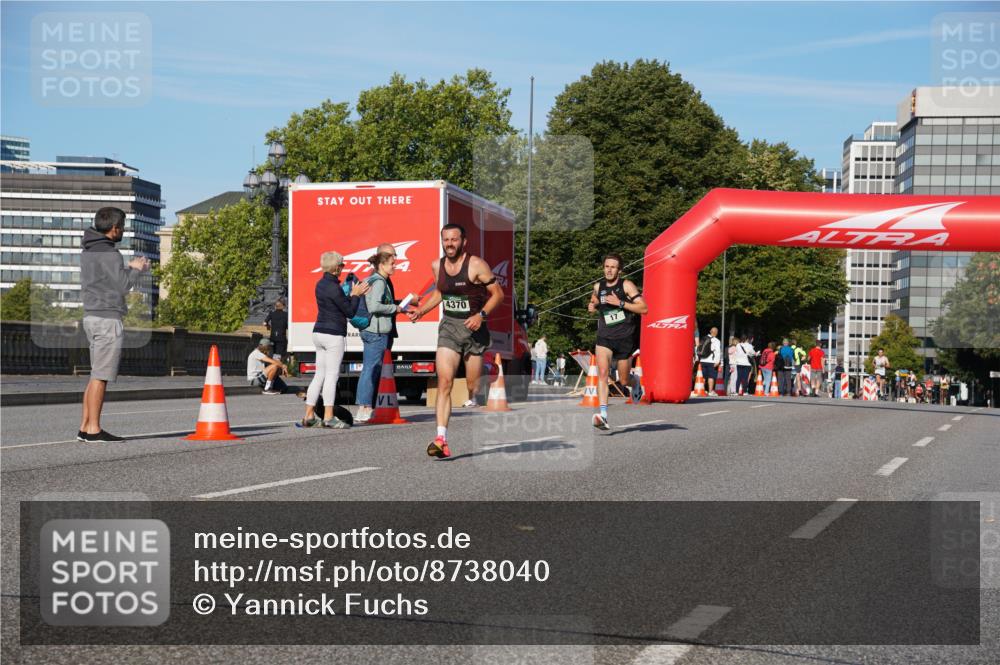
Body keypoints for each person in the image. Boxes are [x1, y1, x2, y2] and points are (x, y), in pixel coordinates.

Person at [408, 224, 504, 458]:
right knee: (445, 382)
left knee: (473, 387)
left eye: (454, 239)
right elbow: (440, 293)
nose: (449, 244)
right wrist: (421, 311)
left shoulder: (476, 265)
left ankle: (488, 368)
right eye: (445, 240)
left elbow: (498, 295)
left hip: (474, 330)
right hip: (449, 328)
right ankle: (441, 438)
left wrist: (480, 316)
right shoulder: (436, 266)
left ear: (464, 242)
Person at [77, 206, 150, 442]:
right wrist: (136, 269)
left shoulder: (88, 250)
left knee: (94, 374)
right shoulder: (110, 253)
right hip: (108, 317)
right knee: (101, 375)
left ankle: (85, 426)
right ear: (115, 228)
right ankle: (94, 430)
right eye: (123, 228)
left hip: (91, 315)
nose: (123, 232)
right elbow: (122, 286)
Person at [300, 251, 369, 428]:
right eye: (342, 265)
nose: (343, 268)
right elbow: (349, 312)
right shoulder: (334, 287)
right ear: (337, 268)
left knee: (319, 375)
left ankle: (308, 415)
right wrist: (356, 294)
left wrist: (350, 295)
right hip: (333, 334)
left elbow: (336, 304)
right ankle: (329, 416)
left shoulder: (320, 284)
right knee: (331, 376)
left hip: (318, 332)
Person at [587, 253, 648, 430]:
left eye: (613, 267)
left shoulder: (627, 286)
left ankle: (634, 382)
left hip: (625, 339)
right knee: (603, 373)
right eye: (607, 266)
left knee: (623, 380)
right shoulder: (598, 286)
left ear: (619, 270)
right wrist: (592, 305)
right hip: (604, 337)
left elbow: (644, 308)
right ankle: (604, 415)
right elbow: (594, 299)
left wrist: (620, 303)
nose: (609, 269)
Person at [353, 250, 402, 423]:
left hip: (369, 330)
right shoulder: (380, 282)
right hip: (377, 331)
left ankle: (364, 406)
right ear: (381, 265)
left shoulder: (372, 278)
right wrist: (394, 309)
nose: (395, 265)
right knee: (370, 369)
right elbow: (374, 307)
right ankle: (364, 407)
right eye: (392, 263)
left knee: (369, 368)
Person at [697, 327, 722, 396]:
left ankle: (702, 390)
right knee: (711, 377)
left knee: (703, 377)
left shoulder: (704, 338)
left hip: (702, 360)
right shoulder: (716, 340)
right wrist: (717, 361)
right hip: (711, 361)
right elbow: (717, 352)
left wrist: (699, 359)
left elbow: (698, 348)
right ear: (716, 333)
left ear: (710, 331)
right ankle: (710, 391)